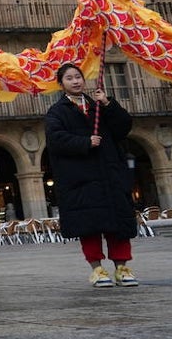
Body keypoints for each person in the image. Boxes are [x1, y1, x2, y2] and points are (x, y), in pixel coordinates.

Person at [45, 63, 137, 288]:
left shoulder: (99, 106)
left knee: (119, 225)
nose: (75, 81)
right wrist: (84, 142)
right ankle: (97, 269)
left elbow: (123, 127)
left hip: (110, 174)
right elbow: (56, 139)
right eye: (69, 78)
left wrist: (108, 104)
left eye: (78, 77)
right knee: (90, 227)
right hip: (82, 179)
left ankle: (122, 268)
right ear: (61, 84)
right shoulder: (57, 112)